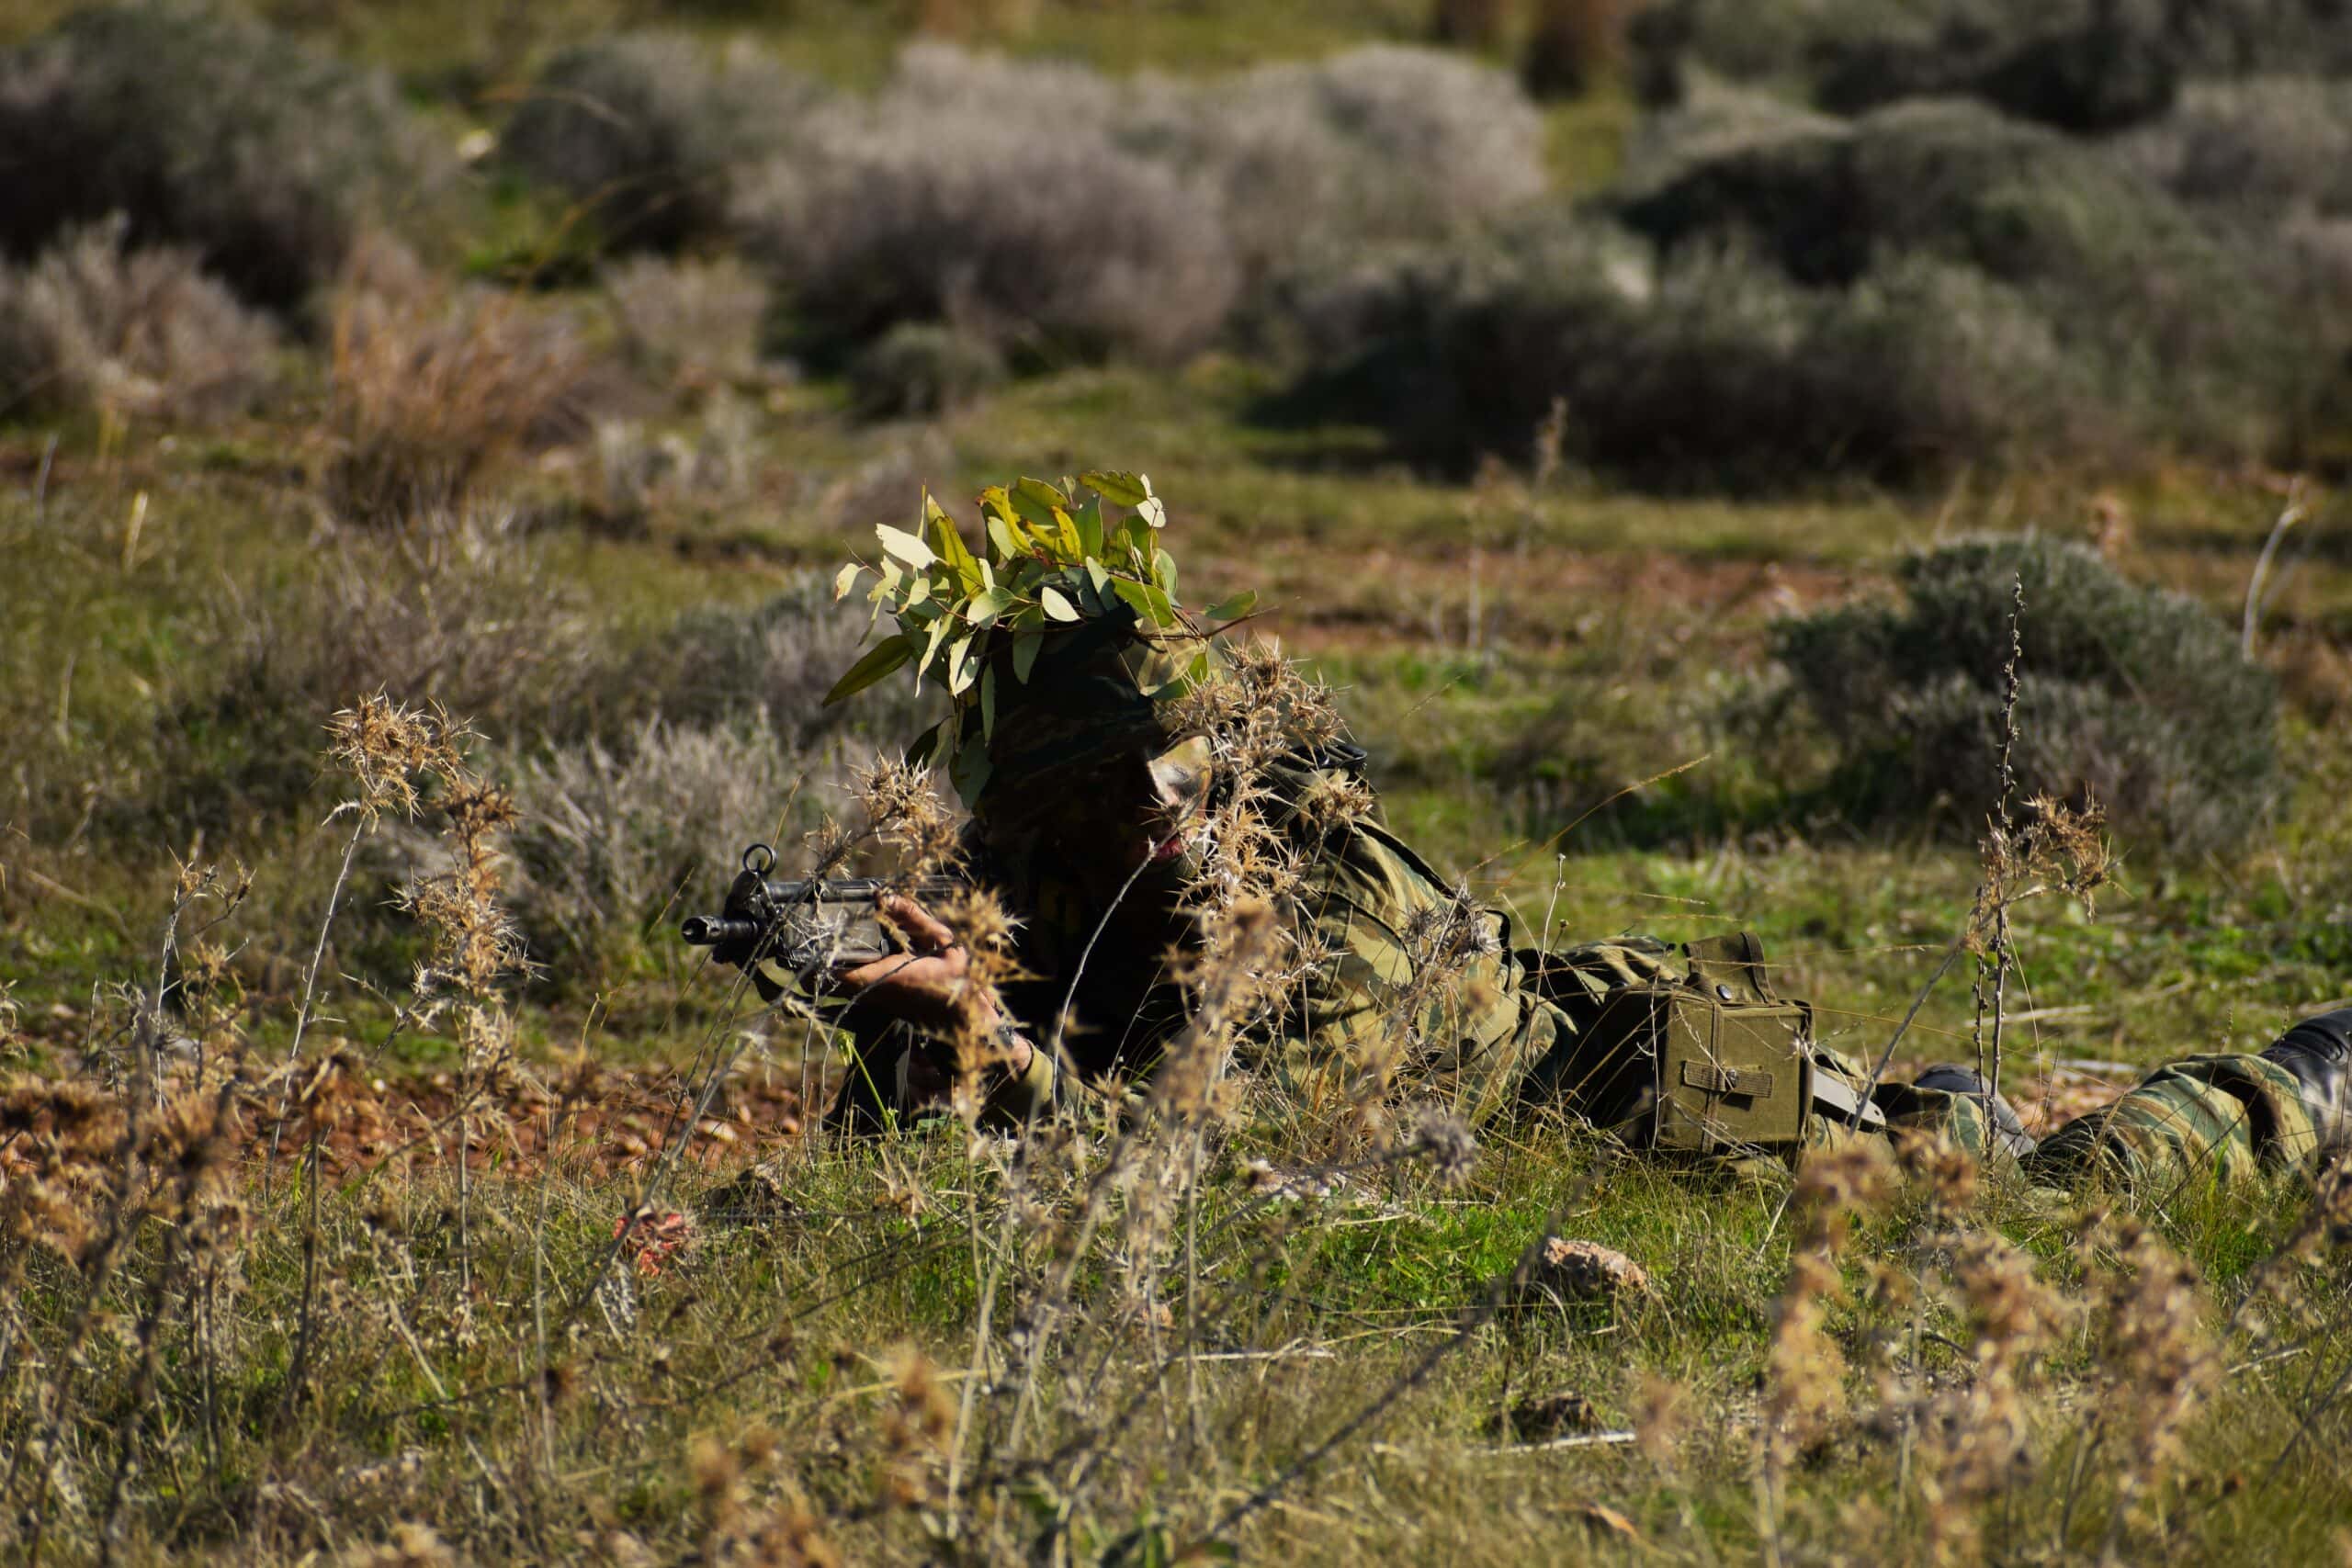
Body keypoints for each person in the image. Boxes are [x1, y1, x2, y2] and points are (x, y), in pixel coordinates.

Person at [750, 488, 2349, 1197]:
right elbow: (922, 1205)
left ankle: (2292, 1084)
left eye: (1176, 768)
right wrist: (916, 1030)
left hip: (1645, 1092)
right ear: (1039, 808)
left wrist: (997, 1049)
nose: (1158, 816)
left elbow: (1222, 1170)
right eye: (1106, 794)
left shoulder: (1327, 907)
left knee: (2037, 1217)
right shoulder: (1049, 882)